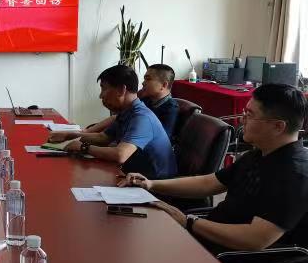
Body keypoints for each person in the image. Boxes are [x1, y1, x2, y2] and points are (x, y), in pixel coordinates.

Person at [119, 84, 308, 253]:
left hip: (234, 259)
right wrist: (151, 184)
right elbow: (210, 183)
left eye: (250, 115)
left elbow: (254, 239)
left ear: (278, 126)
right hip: (210, 236)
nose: (242, 120)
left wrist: (189, 221)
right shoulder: (260, 153)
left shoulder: (294, 175)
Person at [50, 65, 177, 179]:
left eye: (104, 89)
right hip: (131, 176)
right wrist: (71, 135)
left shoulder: (142, 117)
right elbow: (103, 137)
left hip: (154, 186)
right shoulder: (127, 111)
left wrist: (83, 147)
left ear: (122, 90)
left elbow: (121, 154)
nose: (101, 96)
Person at [79, 64, 179, 138]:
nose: (143, 83)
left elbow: (162, 137)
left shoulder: (170, 108)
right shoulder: (145, 99)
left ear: (164, 85)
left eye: (148, 79)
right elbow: (118, 117)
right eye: (144, 79)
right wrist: (87, 131)